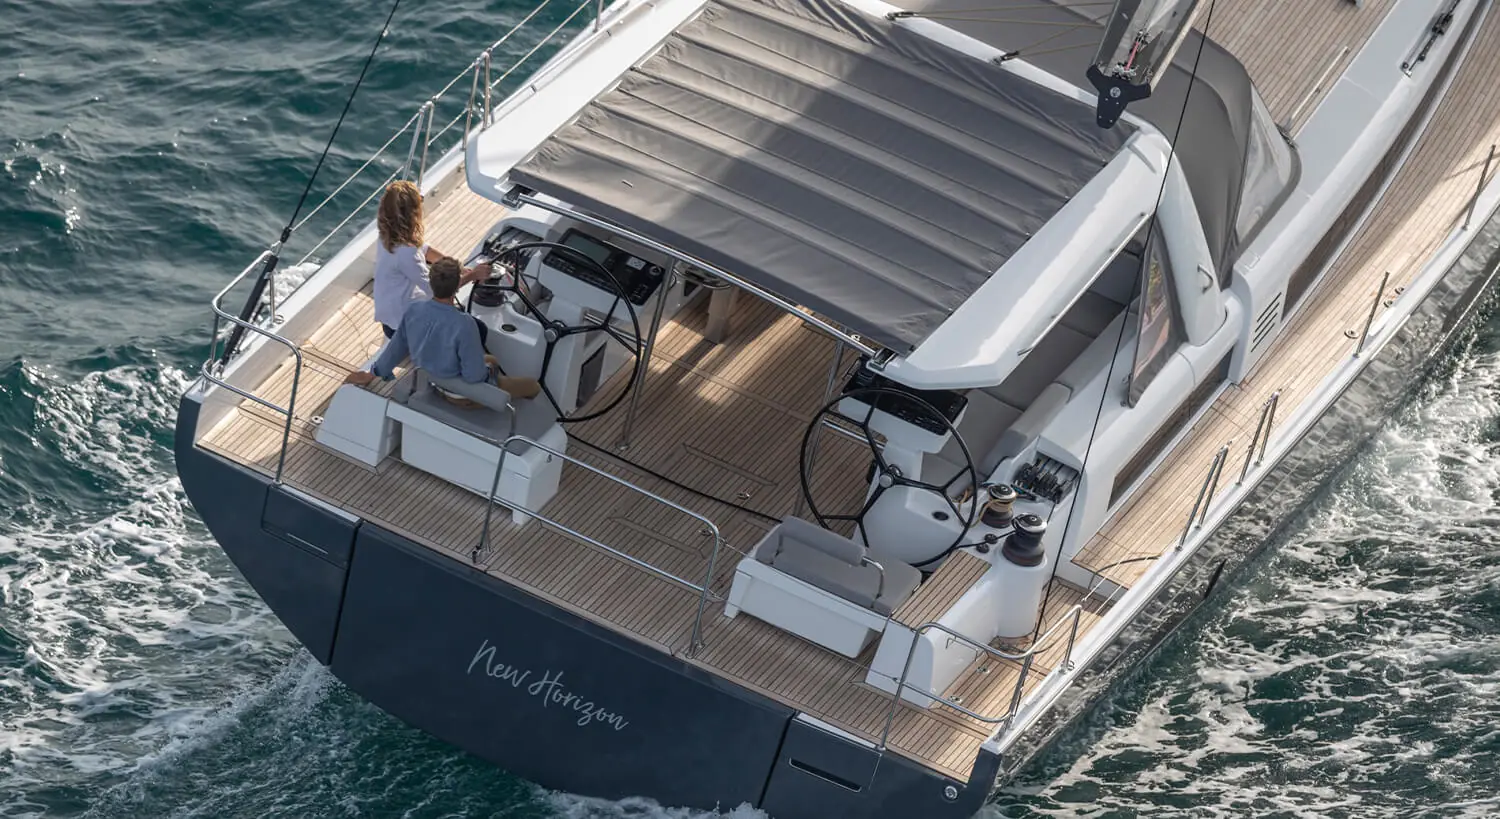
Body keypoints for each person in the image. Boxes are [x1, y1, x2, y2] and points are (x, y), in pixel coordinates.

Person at [345, 258, 541, 404]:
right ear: (456, 287)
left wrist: (371, 374)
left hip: (432, 381)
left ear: (431, 284)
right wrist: (488, 371)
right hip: (460, 395)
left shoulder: (414, 311)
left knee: (492, 360)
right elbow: (474, 377)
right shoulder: (465, 324)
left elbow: (394, 350)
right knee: (532, 386)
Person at [374, 179, 492, 339]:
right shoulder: (406, 253)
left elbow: (425, 250)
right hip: (403, 327)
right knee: (479, 329)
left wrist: (456, 266)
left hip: (392, 316)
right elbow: (438, 291)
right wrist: (474, 275)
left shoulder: (386, 235)